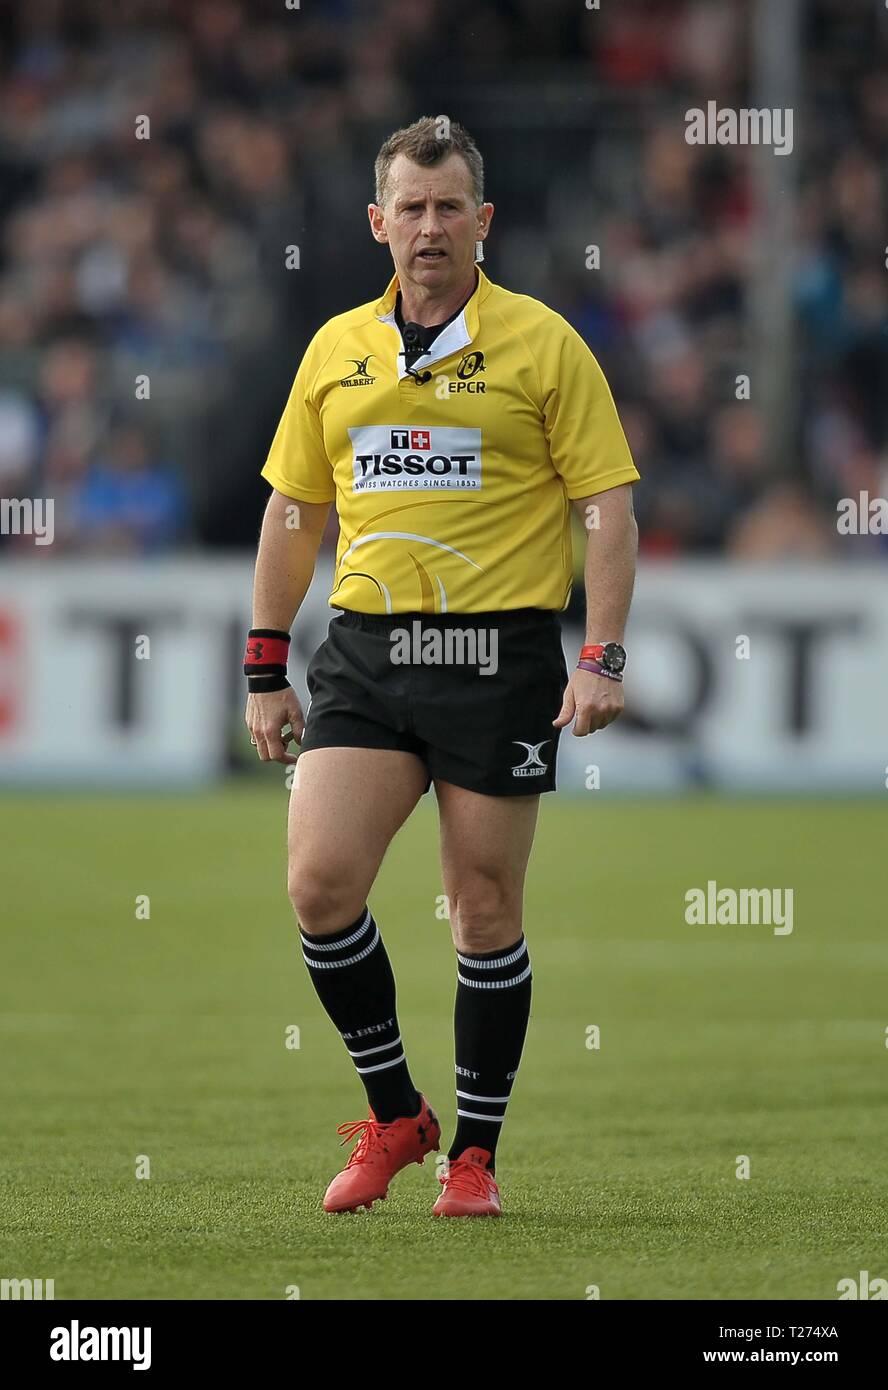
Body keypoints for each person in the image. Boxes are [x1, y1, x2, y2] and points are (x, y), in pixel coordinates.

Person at [244, 116, 639, 1218]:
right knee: (320, 886)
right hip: (370, 651)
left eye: (448, 206)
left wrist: (600, 652)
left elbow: (607, 507)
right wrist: (265, 665)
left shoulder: (545, 344)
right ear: (379, 224)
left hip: (498, 653)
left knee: (481, 909)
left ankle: (475, 1155)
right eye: (409, 209)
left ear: (483, 221)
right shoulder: (335, 351)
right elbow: (293, 510)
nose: (428, 227)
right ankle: (397, 1115)